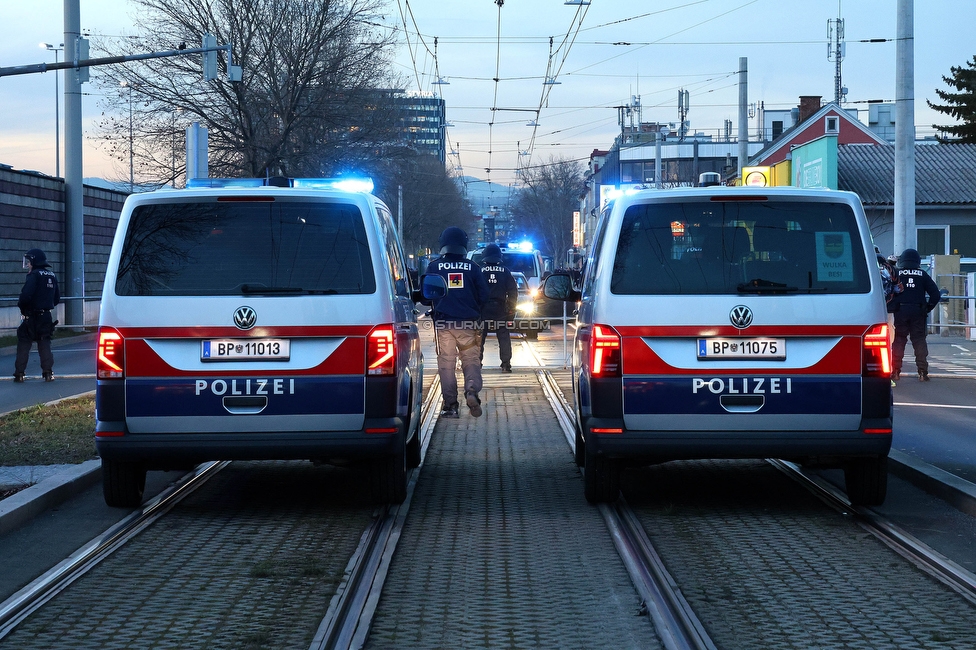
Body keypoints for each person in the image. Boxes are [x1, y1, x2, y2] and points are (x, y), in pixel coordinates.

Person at [428, 227, 490, 417]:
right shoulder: (473, 267)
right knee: (471, 361)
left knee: (446, 364)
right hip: (468, 324)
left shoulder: (434, 267)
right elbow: (484, 295)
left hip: (443, 324)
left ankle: (451, 406)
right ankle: (471, 391)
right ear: (464, 244)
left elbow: (426, 295)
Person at [890, 248, 940, 382]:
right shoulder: (922, 274)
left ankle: (895, 371)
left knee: (899, 340)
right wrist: (927, 308)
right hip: (918, 311)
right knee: (919, 340)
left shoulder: (897, 273)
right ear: (917, 261)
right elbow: (936, 294)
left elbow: (888, 291)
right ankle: (922, 372)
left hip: (900, 311)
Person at [14, 248, 60, 382]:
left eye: (28, 261)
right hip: (46, 316)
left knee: (24, 342)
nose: (27, 264)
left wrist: (23, 309)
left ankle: (19, 373)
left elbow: (25, 296)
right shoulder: (51, 275)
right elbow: (56, 298)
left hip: (31, 316)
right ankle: (48, 372)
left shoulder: (34, 275)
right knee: (44, 342)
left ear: (34, 261)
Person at [479, 244, 518, 372]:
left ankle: (477, 363)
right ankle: (506, 364)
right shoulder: (505, 271)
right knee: (503, 336)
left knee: (479, 336)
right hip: (500, 308)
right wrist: (511, 307)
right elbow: (513, 291)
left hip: (482, 308)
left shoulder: (479, 270)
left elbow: (473, 290)